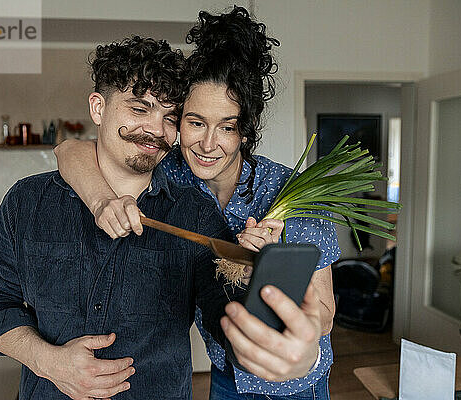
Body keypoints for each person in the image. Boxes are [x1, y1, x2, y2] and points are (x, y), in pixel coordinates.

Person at [0, 35, 323, 400]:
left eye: (170, 117)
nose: (156, 130)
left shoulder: (195, 213)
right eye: (139, 109)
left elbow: (227, 315)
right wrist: (47, 361)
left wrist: (288, 347)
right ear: (98, 108)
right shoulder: (28, 201)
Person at [55, 7, 340, 400]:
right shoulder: (171, 173)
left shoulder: (290, 192)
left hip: (297, 384)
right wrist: (102, 199)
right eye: (195, 122)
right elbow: (70, 150)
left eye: (227, 127)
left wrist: (274, 277)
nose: (208, 145)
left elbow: (324, 313)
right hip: (225, 376)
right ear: (176, 122)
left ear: (245, 132)